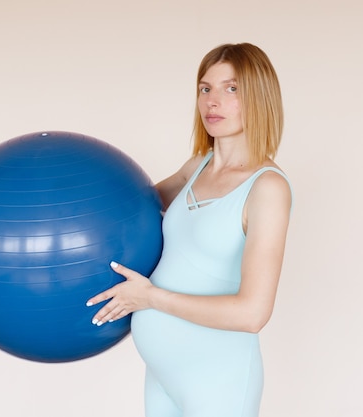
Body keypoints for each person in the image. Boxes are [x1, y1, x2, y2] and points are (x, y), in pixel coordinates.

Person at [86, 43, 293, 417]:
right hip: (163, 376)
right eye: (205, 88)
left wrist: (150, 299)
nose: (213, 101)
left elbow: (252, 314)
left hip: (219, 381)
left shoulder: (267, 188)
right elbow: (128, 210)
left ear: (259, 97)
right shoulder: (197, 166)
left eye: (232, 89)